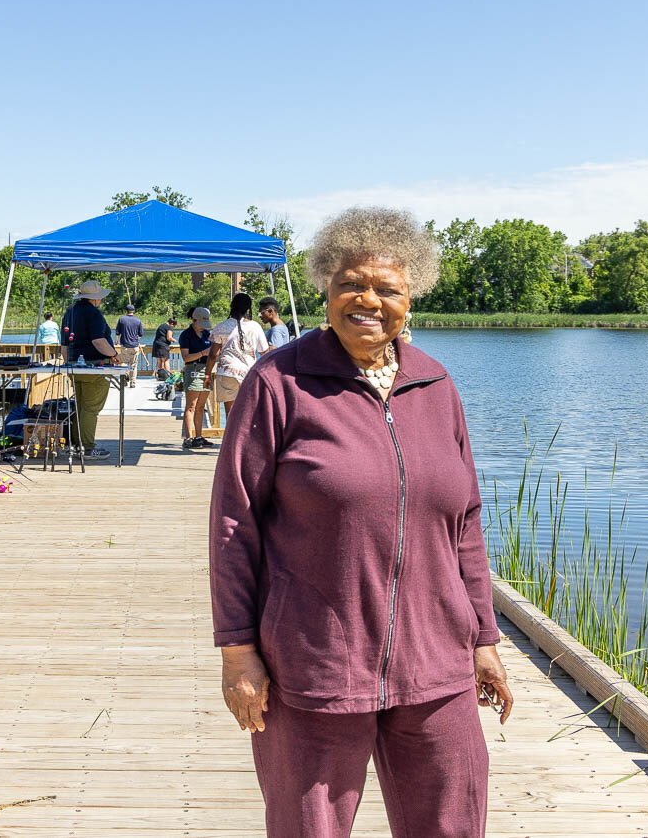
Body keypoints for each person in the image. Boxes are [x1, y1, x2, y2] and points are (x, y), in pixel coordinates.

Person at [208, 206, 512, 838]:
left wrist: (483, 637)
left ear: (410, 298)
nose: (368, 300)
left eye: (386, 289)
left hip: (436, 664)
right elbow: (235, 523)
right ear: (327, 288)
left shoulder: (435, 384)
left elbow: (465, 524)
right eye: (351, 283)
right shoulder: (279, 383)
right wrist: (238, 651)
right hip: (314, 665)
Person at [67, 280, 118, 459]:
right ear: (95, 298)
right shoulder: (94, 313)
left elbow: (64, 343)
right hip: (95, 367)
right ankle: (87, 448)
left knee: (80, 407)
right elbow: (98, 341)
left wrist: (67, 363)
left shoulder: (70, 312)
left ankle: (76, 445)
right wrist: (114, 354)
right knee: (90, 409)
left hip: (74, 366)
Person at [208, 293, 269, 413]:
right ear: (248, 308)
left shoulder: (221, 326)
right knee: (248, 412)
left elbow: (213, 355)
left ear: (232, 306)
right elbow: (265, 353)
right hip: (248, 372)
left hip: (227, 371)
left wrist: (207, 374)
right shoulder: (255, 327)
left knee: (230, 414)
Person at [178, 307, 214, 450]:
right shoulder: (186, 335)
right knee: (191, 406)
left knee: (201, 406)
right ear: (194, 320)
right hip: (193, 369)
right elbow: (186, 357)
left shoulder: (207, 334)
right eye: (201, 323)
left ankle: (199, 437)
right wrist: (203, 353)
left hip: (206, 370)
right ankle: (188, 438)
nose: (203, 327)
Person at [115, 304, 144, 387]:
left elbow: (117, 332)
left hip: (125, 346)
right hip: (135, 346)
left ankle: (124, 379)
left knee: (123, 362)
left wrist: (116, 341)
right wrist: (135, 338)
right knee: (133, 365)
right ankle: (133, 382)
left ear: (126, 311)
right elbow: (141, 334)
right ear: (133, 311)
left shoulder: (122, 319)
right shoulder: (138, 320)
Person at [151, 315, 178, 381]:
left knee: (159, 361)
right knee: (166, 360)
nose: (173, 327)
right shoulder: (169, 327)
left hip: (156, 345)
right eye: (174, 326)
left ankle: (158, 376)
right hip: (163, 346)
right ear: (172, 323)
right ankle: (168, 377)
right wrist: (175, 340)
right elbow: (169, 337)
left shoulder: (161, 326)